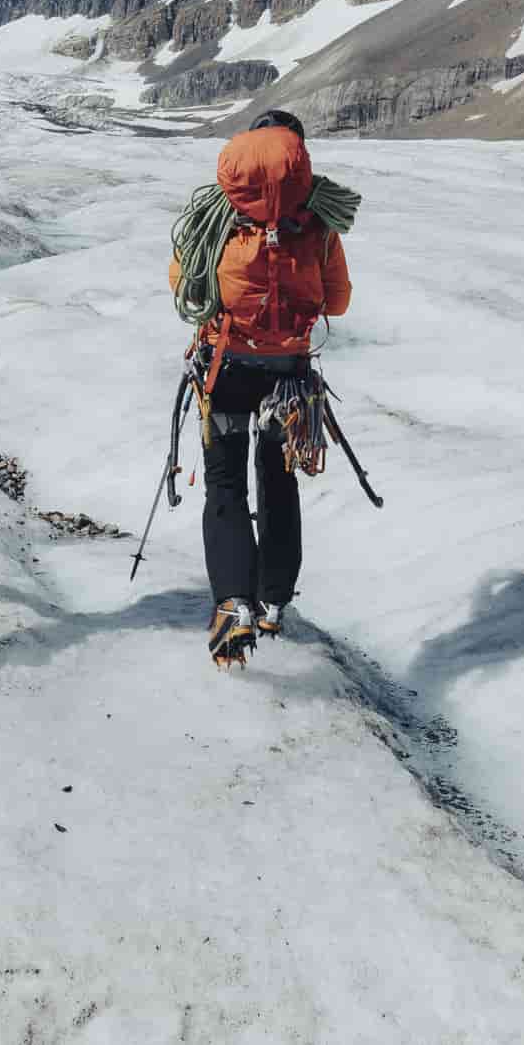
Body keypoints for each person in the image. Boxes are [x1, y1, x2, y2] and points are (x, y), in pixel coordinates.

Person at [168, 109, 354, 667]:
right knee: (278, 481)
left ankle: (233, 603)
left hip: (225, 365)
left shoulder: (217, 216)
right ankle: (273, 600)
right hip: (289, 379)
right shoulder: (317, 222)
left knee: (224, 484)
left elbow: (184, 284)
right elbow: (338, 300)